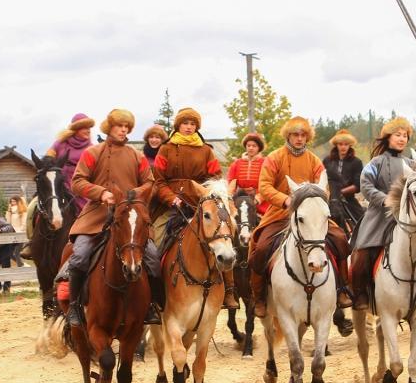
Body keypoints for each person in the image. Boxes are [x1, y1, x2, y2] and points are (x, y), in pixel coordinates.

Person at [56, 108, 161, 327]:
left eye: (126, 127)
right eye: (119, 126)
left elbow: (150, 182)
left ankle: (152, 306)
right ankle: (75, 307)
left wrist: (137, 194)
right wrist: (101, 193)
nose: (123, 130)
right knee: (80, 256)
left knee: (152, 257)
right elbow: (77, 181)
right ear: (109, 127)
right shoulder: (92, 153)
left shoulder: (136, 155)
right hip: (96, 216)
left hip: (129, 219)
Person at [247, 116, 353, 318]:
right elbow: (265, 186)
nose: (299, 138)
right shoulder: (274, 158)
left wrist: (313, 203)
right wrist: (286, 200)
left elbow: (325, 189)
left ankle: (342, 288)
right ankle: (259, 297)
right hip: (279, 214)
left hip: (311, 216)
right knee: (260, 248)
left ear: (307, 137)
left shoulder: (314, 160)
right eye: (295, 134)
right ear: (288, 135)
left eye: (303, 135)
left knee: (340, 239)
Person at [151, 107, 238, 309]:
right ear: (178, 126)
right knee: (154, 243)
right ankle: (153, 295)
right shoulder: (166, 149)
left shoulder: (206, 150)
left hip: (202, 202)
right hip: (170, 205)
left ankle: (229, 290)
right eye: (185, 123)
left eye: (193, 124)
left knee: (224, 238)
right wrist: (171, 198)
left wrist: (209, 197)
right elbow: (158, 180)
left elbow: (216, 178)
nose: (189, 127)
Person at [349, 117, 415, 311]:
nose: (402, 139)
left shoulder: (411, 163)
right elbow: (365, 185)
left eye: (405, 136)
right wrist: (384, 199)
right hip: (379, 217)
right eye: (398, 135)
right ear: (388, 138)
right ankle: (360, 293)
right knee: (362, 253)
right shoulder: (375, 162)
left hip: (407, 217)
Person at [322, 128, 364, 235]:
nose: (343, 147)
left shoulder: (356, 162)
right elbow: (321, 179)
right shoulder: (327, 161)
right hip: (329, 199)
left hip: (348, 200)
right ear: (336, 145)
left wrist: (340, 193)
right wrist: (331, 194)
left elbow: (357, 185)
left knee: (362, 223)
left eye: (346, 144)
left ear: (350, 145)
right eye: (340, 144)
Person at [227, 132, 268, 215]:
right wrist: (230, 198)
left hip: (261, 201)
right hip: (241, 199)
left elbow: (268, 184)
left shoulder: (265, 163)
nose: (251, 148)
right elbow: (232, 182)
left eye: (254, 146)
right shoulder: (237, 163)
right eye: (248, 145)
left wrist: (258, 198)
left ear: (259, 148)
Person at [6, 195, 28, 267]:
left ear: (18, 201)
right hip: (12, 234)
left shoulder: (23, 211)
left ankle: (22, 266)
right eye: (11, 201)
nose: (12, 203)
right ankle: (22, 265)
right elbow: (8, 222)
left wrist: (19, 233)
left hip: (19, 234)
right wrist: (9, 212)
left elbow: (24, 224)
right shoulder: (11, 212)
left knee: (16, 253)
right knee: (10, 253)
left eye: (14, 201)